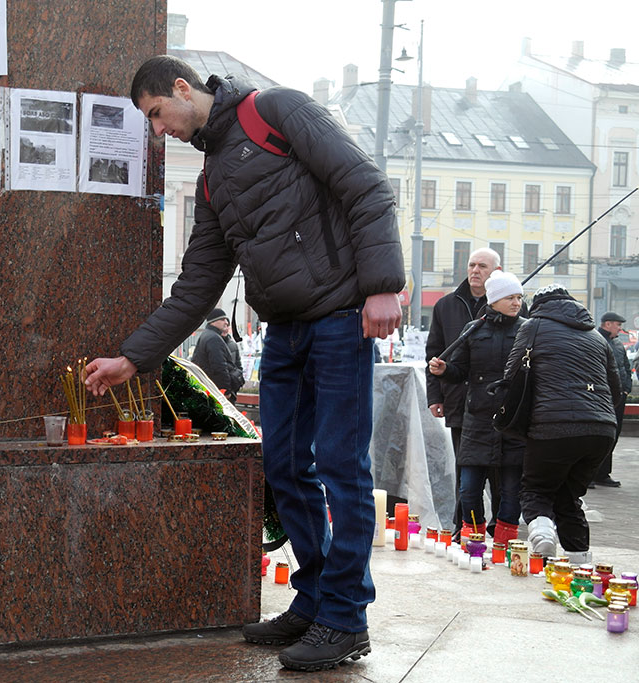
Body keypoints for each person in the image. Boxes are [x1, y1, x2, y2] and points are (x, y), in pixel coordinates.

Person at [83, 55, 404, 672]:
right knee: (283, 466)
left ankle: (345, 617)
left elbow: (363, 184)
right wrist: (133, 358)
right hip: (283, 332)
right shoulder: (210, 179)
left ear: (182, 88)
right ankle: (313, 599)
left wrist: (383, 284)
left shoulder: (275, 111)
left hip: (340, 318)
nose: (159, 131)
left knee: (342, 466)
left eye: (156, 115)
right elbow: (198, 283)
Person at [505, 285, 620, 565]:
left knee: (536, 490)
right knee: (569, 497)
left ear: (538, 306)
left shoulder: (533, 327)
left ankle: (543, 536)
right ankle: (581, 563)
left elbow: (512, 375)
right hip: (601, 430)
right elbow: (616, 388)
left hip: (552, 427)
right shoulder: (596, 336)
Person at [427, 271, 526, 550]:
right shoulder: (473, 329)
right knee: (468, 489)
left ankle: (504, 546)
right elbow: (460, 371)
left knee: (510, 492)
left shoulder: (528, 329)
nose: (516, 302)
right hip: (477, 419)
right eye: (510, 297)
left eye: (519, 297)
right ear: (494, 300)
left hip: (512, 420)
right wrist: (445, 370)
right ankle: (474, 542)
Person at [424, 247, 506, 539]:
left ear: (495, 271)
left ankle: (501, 529)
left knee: (500, 472)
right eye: (472, 265)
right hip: (459, 400)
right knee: (466, 470)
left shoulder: (506, 304)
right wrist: (435, 396)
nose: (475, 270)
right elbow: (434, 355)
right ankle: (465, 527)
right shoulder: (446, 305)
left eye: (482, 266)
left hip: (498, 405)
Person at [590, 311, 629, 488]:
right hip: (601, 397)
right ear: (607, 324)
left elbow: (626, 368)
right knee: (597, 436)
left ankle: (603, 473)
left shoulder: (618, 344)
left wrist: (626, 389)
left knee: (613, 435)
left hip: (619, 397)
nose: (620, 329)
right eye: (618, 325)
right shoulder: (595, 340)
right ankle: (588, 475)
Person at [191, 307, 244, 402]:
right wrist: (226, 391)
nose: (226, 322)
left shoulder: (206, 335)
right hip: (217, 391)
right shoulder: (213, 339)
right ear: (213, 321)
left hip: (209, 387)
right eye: (222, 319)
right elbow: (219, 367)